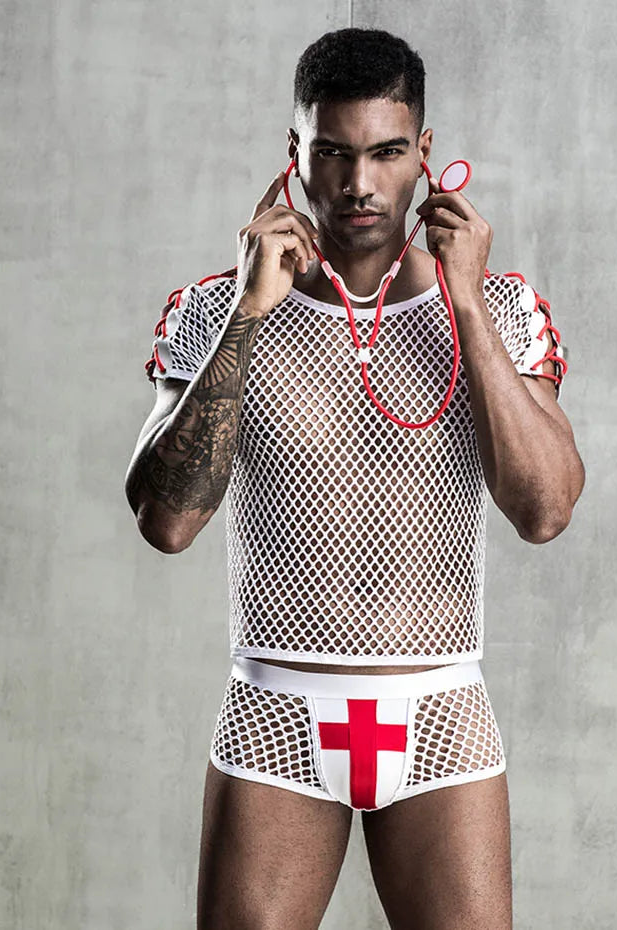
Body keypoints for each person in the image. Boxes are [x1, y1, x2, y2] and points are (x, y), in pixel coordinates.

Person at [125, 27, 584, 930]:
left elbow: (545, 510)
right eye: (333, 153)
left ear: (425, 152)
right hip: (276, 714)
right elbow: (166, 524)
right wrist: (250, 313)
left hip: (440, 711)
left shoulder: (498, 305)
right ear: (295, 153)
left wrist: (464, 302)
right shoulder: (216, 308)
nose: (360, 183)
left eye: (386, 153)